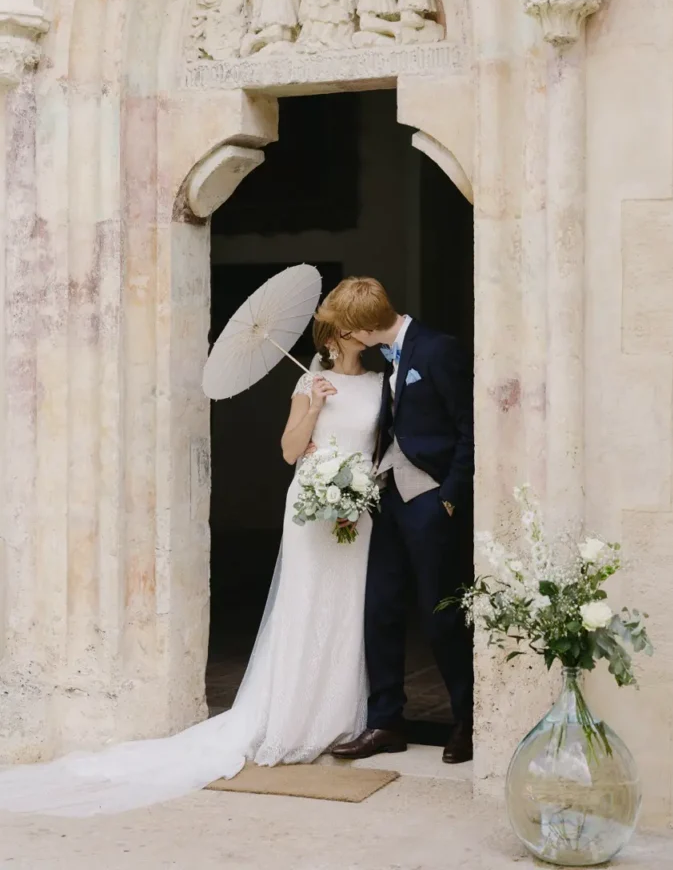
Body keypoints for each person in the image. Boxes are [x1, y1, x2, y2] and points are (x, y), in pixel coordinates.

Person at [0, 316, 383, 817]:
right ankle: (294, 718)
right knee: (306, 602)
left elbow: (384, 446)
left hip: (358, 509)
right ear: (333, 336)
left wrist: (361, 482)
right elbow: (290, 451)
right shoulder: (308, 381)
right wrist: (314, 406)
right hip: (311, 507)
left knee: (350, 608)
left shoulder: (381, 384)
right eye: (352, 327)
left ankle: (341, 717)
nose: (361, 334)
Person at [316, 277, 475, 765]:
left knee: (440, 614)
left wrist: (450, 497)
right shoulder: (382, 361)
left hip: (430, 499)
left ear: (365, 328)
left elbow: (471, 425)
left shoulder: (438, 350)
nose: (342, 336)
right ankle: (386, 722)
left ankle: (467, 721)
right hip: (386, 497)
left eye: (346, 328)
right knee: (380, 608)